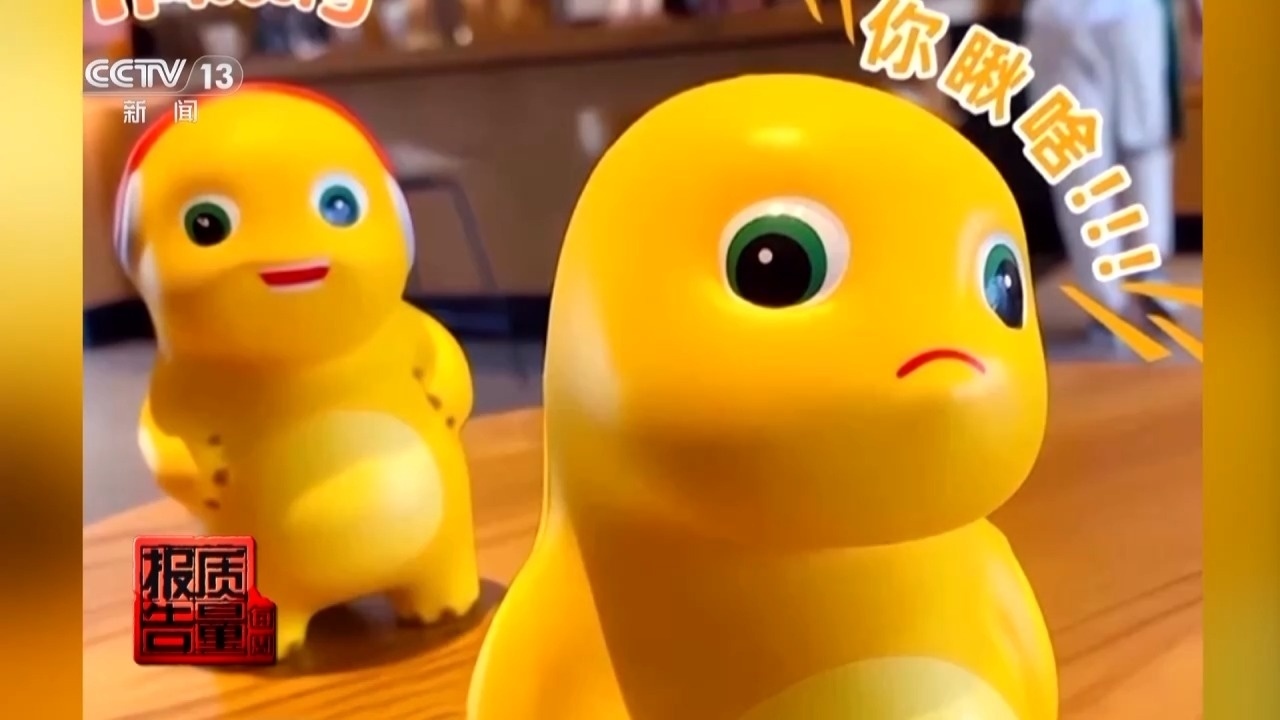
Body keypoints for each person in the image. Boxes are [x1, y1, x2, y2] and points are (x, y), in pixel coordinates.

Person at [1021, 0, 1202, 340]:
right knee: (1141, 150)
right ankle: (1142, 279)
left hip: (1061, 20)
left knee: (1080, 161)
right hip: (1123, 17)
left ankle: (1110, 296)